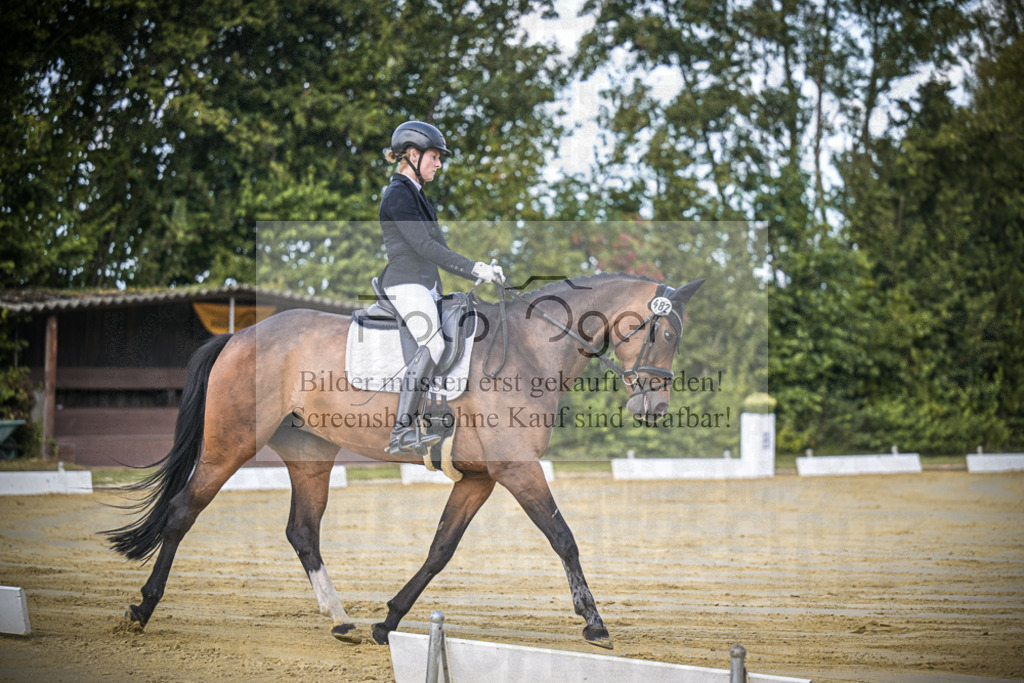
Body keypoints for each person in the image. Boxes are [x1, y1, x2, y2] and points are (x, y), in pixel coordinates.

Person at [379, 120, 504, 455]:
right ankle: (401, 432)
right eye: (434, 157)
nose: (438, 164)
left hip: (425, 285)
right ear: (413, 155)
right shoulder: (398, 195)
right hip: (405, 283)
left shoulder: (418, 196)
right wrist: (474, 268)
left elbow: (441, 250)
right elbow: (424, 247)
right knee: (433, 344)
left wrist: (480, 270)